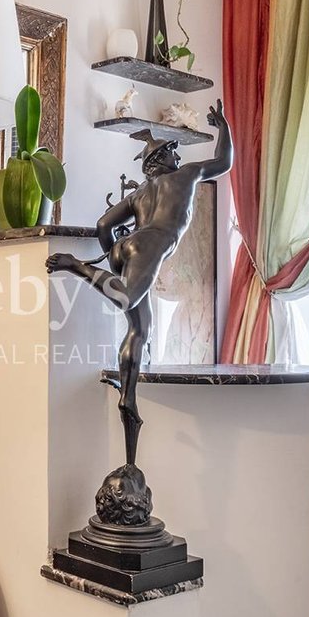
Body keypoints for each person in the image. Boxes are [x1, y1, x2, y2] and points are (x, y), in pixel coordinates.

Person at [46, 98, 232, 470]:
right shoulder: (186, 175)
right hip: (150, 245)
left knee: (139, 328)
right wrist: (223, 127)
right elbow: (224, 162)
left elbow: (104, 226)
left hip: (125, 247)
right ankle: (74, 265)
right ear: (160, 160)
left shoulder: (138, 195)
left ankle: (128, 397)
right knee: (127, 298)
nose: (178, 157)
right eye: (172, 153)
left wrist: (115, 255)